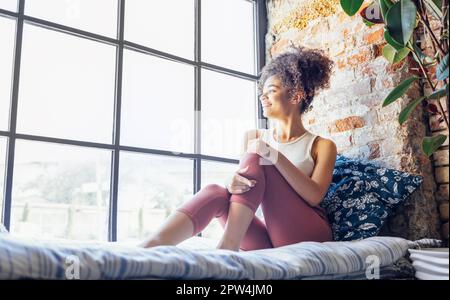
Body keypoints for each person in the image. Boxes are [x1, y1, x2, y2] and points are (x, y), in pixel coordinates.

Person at [140, 46, 337, 251]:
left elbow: (314, 196)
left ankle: (228, 246)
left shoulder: (322, 145)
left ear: (296, 96)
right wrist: (230, 182)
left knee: (259, 152)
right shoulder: (253, 137)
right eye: (263, 92)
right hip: (269, 236)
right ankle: (150, 246)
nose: (263, 98)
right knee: (215, 192)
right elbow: (245, 184)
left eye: (271, 91)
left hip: (308, 232)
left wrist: (272, 154)